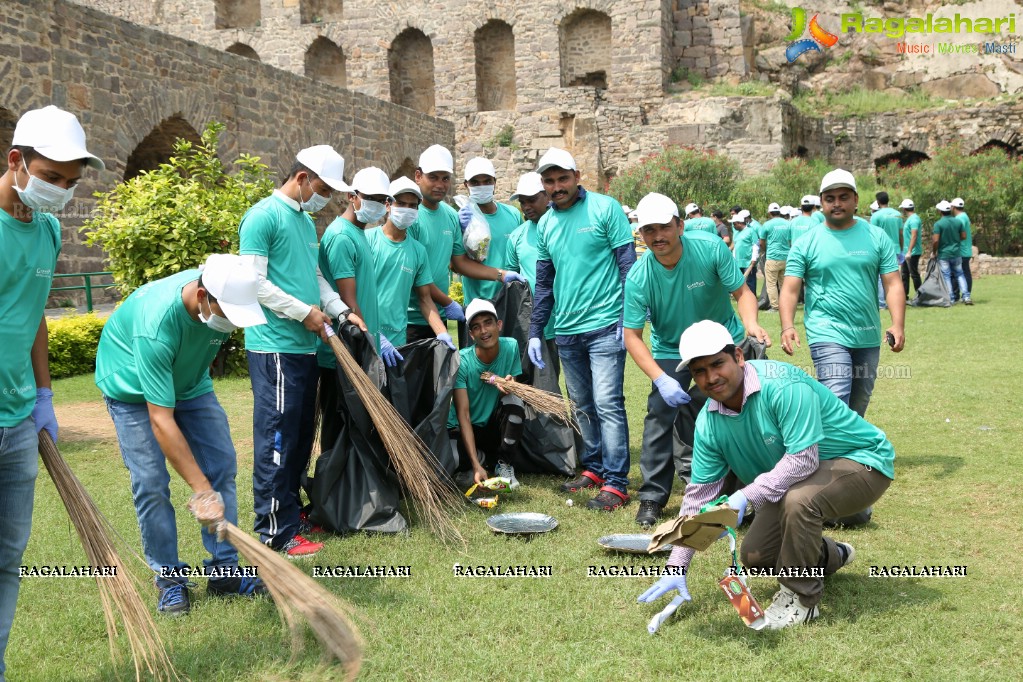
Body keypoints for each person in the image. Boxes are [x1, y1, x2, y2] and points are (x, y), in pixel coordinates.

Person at [637, 321, 895, 630]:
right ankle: (832, 554)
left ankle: (802, 599)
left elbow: (803, 460)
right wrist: (676, 566)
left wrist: (745, 496)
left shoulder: (783, 385)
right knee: (757, 554)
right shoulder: (708, 422)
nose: (711, 378)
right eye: (700, 371)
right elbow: (697, 499)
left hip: (862, 462)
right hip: (792, 482)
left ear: (739, 357)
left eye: (717, 364)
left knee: (801, 501)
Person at [95, 255, 269, 615]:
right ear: (202, 295)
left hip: (189, 383)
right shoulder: (156, 324)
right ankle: (169, 579)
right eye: (229, 315)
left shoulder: (224, 293)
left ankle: (225, 574)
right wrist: (201, 491)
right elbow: (161, 419)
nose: (232, 325)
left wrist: (209, 482)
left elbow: (198, 351)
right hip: (131, 392)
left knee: (222, 465)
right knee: (151, 482)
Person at [0, 105, 103, 680]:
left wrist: (43, 394)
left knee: (8, 560)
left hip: (18, 424)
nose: (62, 191)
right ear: (16, 161)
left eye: (70, 182)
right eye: (52, 177)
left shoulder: (48, 229)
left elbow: (34, 313)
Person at [623, 193, 769, 528]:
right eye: (649, 230)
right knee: (660, 416)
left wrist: (751, 325)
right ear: (640, 234)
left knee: (745, 410)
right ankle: (652, 497)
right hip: (672, 348)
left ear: (680, 225)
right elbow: (632, 336)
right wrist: (661, 378)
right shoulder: (639, 276)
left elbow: (743, 293)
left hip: (721, 340)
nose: (657, 236)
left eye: (664, 227)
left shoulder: (710, 248)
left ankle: (753, 491)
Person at [238, 144, 353, 558]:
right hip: (274, 348)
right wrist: (303, 312)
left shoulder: (305, 223)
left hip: (303, 347)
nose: (327, 199)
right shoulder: (262, 217)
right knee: (277, 438)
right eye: (323, 188)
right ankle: (274, 533)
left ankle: (291, 513)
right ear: (302, 178)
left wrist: (338, 311)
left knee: (302, 436)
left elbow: (316, 276)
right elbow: (252, 283)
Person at [527, 147, 636, 511]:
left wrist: (627, 318)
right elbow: (544, 284)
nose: (556, 186)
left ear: (577, 176)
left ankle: (617, 484)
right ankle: (594, 469)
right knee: (582, 405)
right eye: (549, 181)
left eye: (562, 178)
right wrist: (535, 331)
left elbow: (628, 268)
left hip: (606, 325)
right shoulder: (545, 224)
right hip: (567, 331)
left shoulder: (606, 209)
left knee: (607, 403)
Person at [780, 169, 905, 418]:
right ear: (821, 202)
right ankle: (829, 456)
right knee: (836, 396)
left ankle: (847, 453)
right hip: (826, 331)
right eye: (830, 198)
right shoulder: (807, 242)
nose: (837, 203)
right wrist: (787, 326)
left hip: (867, 333)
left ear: (856, 199)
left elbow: (893, 284)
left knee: (859, 402)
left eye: (844, 197)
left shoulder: (876, 237)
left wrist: (897, 324)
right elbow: (790, 289)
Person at [407, 145, 524, 344]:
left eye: (445, 178)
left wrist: (501, 275)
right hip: (409, 316)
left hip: (438, 315)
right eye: (433, 177)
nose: (440, 184)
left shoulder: (451, 216)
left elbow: (459, 262)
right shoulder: (410, 217)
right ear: (418, 176)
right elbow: (417, 277)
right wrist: (448, 302)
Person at [367, 177, 456, 350]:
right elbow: (355, 294)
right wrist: (373, 334)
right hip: (367, 336)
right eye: (400, 203)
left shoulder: (417, 251)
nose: (406, 209)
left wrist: (441, 332)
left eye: (412, 205)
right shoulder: (368, 240)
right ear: (387, 205)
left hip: (399, 340)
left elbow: (425, 299)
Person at [447, 300, 525, 486]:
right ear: (471, 334)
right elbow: (463, 415)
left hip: (489, 425)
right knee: (452, 460)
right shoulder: (462, 361)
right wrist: (475, 465)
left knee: (515, 401)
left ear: (499, 325)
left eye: (488, 323)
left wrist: (509, 386)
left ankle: (503, 464)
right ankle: (479, 460)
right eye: (476, 327)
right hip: (461, 428)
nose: (483, 331)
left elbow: (509, 391)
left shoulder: (511, 346)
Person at [457, 157, 524, 306]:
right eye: (475, 183)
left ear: (495, 182)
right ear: (466, 185)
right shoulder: (463, 220)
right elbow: (455, 264)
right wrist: (462, 232)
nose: (482, 186)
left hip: (511, 301)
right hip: (477, 304)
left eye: (487, 181)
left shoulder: (512, 214)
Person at [506, 172, 557, 368]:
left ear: (547, 195)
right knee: (543, 389)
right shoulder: (517, 236)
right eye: (522, 202)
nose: (527, 207)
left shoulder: (560, 226)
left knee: (577, 390)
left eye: (532, 200)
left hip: (567, 321)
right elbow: (513, 284)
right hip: (536, 326)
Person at [932, 200, 972, 305]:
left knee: (947, 276)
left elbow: (936, 240)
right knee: (960, 274)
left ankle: (951, 298)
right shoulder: (957, 222)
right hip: (956, 253)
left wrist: (934, 252)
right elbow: (964, 236)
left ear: (940, 211)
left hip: (944, 254)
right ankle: (966, 296)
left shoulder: (938, 224)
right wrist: (954, 240)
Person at [870, 191, 904, 309]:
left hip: (881, 249)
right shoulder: (897, 214)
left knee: (880, 277)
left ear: (878, 202)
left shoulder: (876, 216)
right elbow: (901, 233)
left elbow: (872, 234)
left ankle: (881, 302)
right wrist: (901, 248)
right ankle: (895, 302)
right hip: (895, 249)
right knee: (894, 277)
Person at [759, 203, 790, 312]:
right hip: (786, 258)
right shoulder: (788, 224)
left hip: (772, 257)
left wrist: (765, 250)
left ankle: (775, 307)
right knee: (784, 284)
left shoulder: (767, 225)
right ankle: (786, 305)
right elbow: (790, 240)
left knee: (771, 284)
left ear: (769, 212)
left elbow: (761, 242)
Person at [731, 212, 758, 296]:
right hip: (738, 261)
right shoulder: (737, 233)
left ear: (739, 223)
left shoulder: (750, 231)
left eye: (734, 224)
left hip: (748, 261)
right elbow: (736, 246)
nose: (733, 226)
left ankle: (752, 296)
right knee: (739, 281)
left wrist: (754, 258)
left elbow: (755, 245)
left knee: (750, 281)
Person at [899, 199, 923, 298]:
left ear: (904, 209)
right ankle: (905, 295)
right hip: (906, 252)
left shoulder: (914, 219)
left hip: (912, 252)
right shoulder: (910, 219)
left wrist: (909, 251)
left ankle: (920, 295)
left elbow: (914, 235)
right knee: (904, 274)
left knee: (914, 274)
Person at [951, 197, 973, 300]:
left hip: (961, 250)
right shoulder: (965, 216)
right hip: (966, 250)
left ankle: (958, 295)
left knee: (957, 273)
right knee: (966, 272)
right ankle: (966, 294)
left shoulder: (958, 218)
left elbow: (959, 235)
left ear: (954, 207)